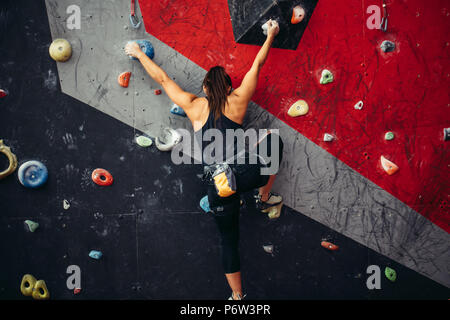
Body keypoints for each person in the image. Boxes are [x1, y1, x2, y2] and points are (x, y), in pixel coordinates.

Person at [125, 19, 283, 300]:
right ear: (229, 86)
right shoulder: (238, 99)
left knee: (228, 240)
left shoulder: (193, 105)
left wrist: (137, 53)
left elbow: (162, 78)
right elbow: (256, 65)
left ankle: (237, 297)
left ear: (206, 88)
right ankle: (263, 197)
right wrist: (270, 34)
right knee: (273, 143)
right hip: (244, 173)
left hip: (218, 186)